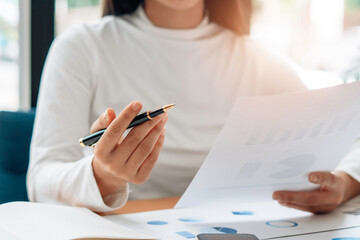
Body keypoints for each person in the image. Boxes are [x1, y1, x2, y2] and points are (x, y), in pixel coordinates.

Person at [27, 0, 360, 213]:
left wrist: (345, 182)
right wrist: (103, 177)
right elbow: (41, 180)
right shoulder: (81, 48)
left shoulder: (258, 61)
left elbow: (346, 140)